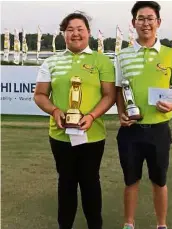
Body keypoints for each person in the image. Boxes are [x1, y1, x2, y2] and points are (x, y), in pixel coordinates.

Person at [34, 12, 115, 229]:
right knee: (66, 183)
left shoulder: (102, 61)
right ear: (64, 34)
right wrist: (54, 111)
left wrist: (91, 116)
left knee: (90, 183)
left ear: (88, 32)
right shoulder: (51, 62)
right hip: (60, 134)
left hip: (93, 134)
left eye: (80, 29)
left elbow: (109, 95)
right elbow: (40, 95)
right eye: (70, 30)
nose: (75, 33)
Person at [115, 2, 172, 229]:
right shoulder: (122, 55)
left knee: (159, 181)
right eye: (141, 18)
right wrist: (121, 113)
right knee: (130, 181)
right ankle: (129, 224)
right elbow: (118, 89)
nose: (145, 23)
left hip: (160, 130)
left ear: (158, 22)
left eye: (150, 18)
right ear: (134, 23)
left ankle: (161, 225)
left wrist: (171, 106)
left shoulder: (170, 54)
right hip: (130, 131)